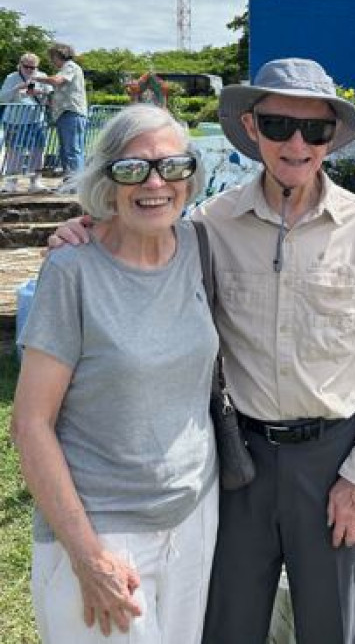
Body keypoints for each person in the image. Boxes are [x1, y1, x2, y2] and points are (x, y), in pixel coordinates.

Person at [50, 58, 355, 644]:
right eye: (278, 125)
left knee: (339, 630)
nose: (296, 144)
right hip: (239, 464)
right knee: (226, 626)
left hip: (334, 462)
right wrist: (86, 228)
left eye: (315, 130)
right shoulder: (209, 226)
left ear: (330, 137)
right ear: (251, 126)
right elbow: (144, 230)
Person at [12, 104, 219, 643]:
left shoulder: (197, 246)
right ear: (107, 180)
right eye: (132, 169)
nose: (155, 183)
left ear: (191, 174)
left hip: (194, 515)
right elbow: (30, 424)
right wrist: (88, 556)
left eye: (172, 166)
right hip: (105, 530)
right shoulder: (72, 270)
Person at [36, 43, 88, 191]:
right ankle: (70, 182)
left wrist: (37, 78)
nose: (51, 61)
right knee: (67, 150)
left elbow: (57, 81)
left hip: (71, 113)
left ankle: (74, 184)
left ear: (58, 55)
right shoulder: (67, 68)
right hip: (66, 114)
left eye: (52, 57)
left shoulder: (70, 66)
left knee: (72, 150)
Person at [0, 52, 49, 192]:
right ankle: (11, 182)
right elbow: (2, 98)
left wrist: (41, 93)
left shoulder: (42, 77)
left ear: (37, 67)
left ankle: (35, 182)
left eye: (32, 67)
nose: (28, 70)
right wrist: (17, 88)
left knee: (37, 150)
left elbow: (50, 96)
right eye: (26, 66)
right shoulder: (12, 77)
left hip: (36, 119)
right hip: (15, 120)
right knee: (14, 152)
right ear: (20, 65)